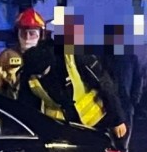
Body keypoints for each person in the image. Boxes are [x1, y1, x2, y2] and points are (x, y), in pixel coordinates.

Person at [18, 14, 128, 145]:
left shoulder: (75, 55)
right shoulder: (29, 72)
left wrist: (117, 119)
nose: (42, 77)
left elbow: (104, 83)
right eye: (39, 76)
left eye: (44, 73)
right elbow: (26, 105)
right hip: (61, 129)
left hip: (95, 123)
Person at [101, 23, 144, 152]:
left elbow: (138, 80)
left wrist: (133, 102)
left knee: (123, 146)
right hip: (106, 108)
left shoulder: (130, 57)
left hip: (125, 108)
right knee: (107, 145)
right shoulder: (103, 57)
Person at [0, 8, 46, 99]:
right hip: (15, 107)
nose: (27, 38)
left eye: (32, 34)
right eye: (23, 33)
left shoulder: (47, 56)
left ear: (41, 35)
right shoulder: (7, 56)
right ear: (17, 34)